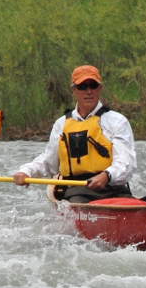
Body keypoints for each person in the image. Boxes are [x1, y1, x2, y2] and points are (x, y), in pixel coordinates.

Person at [13, 65, 137, 203]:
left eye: (93, 85)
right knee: (78, 200)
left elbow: (126, 161)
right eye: (82, 86)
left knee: (134, 203)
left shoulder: (117, 121)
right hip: (77, 191)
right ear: (74, 90)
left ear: (100, 88)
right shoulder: (61, 124)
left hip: (114, 189)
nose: (89, 91)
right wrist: (26, 172)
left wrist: (107, 176)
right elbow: (49, 163)